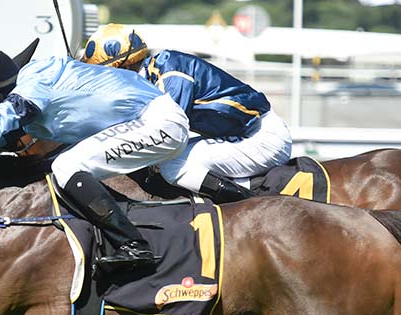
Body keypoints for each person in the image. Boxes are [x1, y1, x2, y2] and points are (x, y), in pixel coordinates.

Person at [0, 48, 190, 273]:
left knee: (67, 166)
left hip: (158, 123)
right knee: (65, 163)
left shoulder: (34, 83)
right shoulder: (29, 93)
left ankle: (133, 246)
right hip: (145, 124)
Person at [82, 24, 292, 204]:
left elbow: (169, 133)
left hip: (262, 139)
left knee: (171, 166)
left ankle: (250, 203)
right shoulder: (150, 79)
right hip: (241, 135)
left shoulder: (171, 72)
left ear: (124, 67)